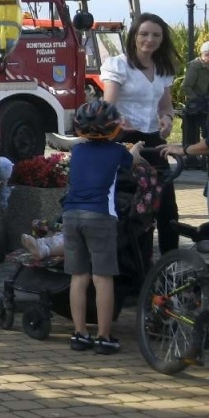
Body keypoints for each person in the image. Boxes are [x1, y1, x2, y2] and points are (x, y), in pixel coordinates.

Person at [62, 100, 141, 354]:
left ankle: (79, 334)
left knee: (79, 276)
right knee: (102, 277)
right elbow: (134, 162)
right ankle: (104, 337)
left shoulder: (78, 152)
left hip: (71, 215)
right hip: (100, 217)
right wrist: (137, 149)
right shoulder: (118, 152)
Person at [101, 13, 179, 254]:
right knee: (132, 205)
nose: (149, 40)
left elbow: (166, 107)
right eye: (144, 34)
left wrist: (167, 118)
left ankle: (171, 265)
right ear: (134, 36)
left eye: (156, 35)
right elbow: (108, 107)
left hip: (154, 140)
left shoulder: (163, 68)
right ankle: (134, 266)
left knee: (166, 205)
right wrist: (117, 120)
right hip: (125, 141)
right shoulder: (119, 65)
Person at [182, 41, 209, 170]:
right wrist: (198, 100)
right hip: (195, 106)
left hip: (206, 105)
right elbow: (186, 87)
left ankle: (204, 160)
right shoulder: (195, 66)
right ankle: (190, 160)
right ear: (207, 55)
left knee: (206, 133)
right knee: (191, 134)